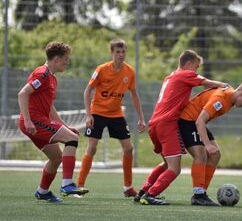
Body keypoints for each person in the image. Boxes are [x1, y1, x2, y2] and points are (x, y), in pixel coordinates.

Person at [133, 49, 227, 205]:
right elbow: (207, 83)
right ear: (189, 63)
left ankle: (143, 191)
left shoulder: (170, 77)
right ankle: (150, 195)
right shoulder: (185, 74)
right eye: (196, 66)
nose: (196, 70)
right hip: (167, 124)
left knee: (165, 164)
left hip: (155, 124)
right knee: (175, 168)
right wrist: (224, 86)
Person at [18, 41, 89, 203]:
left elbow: (49, 108)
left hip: (38, 120)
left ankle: (42, 191)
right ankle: (67, 184)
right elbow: (23, 94)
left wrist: (65, 126)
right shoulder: (42, 74)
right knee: (72, 139)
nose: (67, 62)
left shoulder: (52, 78)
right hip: (34, 121)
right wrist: (28, 120)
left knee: (57, 158)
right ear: (56, 59)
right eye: (65, 58)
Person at [76, 38, 146, 197]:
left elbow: (134, 95)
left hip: (116, 114)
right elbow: (87, 91)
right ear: (112, 53)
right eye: (117, 52)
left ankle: (128, 188)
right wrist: (88, 115)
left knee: (129, 148)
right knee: (92, 148)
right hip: (98, 112)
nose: (121, 55)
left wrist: (141, 118)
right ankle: (79, 186)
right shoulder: (101, 69)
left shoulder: (129, 72)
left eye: (123, 52)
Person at [179, 79, 242, 205]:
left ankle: (202, 193)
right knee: (201, 155)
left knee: (215, 155)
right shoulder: (221, 99)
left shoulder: (229, 96)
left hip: (195, 121)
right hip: (187, 121)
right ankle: (198, 195)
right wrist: (207, 145)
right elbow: (200, 121)